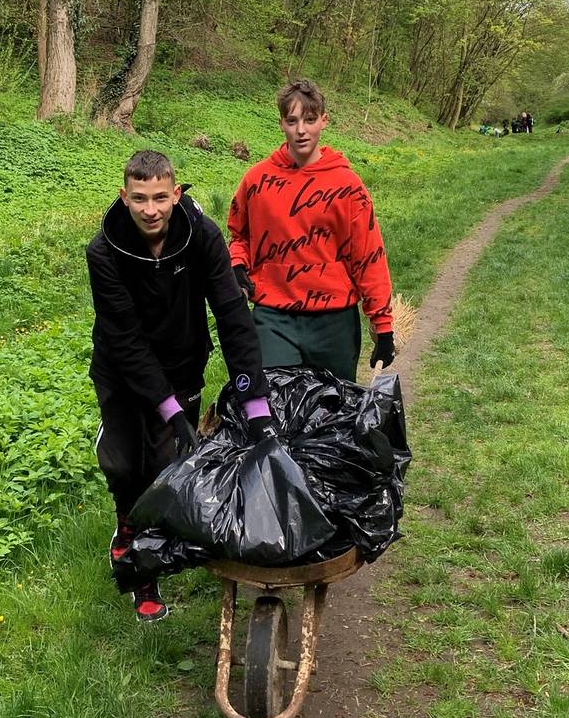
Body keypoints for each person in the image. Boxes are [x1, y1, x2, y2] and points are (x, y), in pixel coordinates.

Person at [87, 150, 276, 622]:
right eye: (139, 199)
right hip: (122, 366)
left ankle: (145, 569)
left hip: (183, 362)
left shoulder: (204, 237)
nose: (150, 209)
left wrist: (254, 401)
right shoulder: (103, 251)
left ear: (176, 193)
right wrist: (167, 408)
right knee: (125, 463)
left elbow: (233, 317)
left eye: (159, 198)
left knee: (164, 469)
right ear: (123, 197)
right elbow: (125, 339)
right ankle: (125, 529)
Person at [227, 79, 395, 382]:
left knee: (333, 416)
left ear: (324, 121)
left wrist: (383, 326)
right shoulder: (256, 181)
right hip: (273, 315)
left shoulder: (347, 186)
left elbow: (368, 255)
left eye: (309, 119)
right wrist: (238, 265)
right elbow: (240, 236)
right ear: (281, 123)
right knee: (274, 409)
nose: (301, 130)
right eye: (292, 121)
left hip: (334, 320)